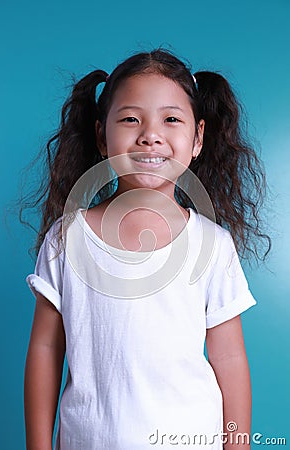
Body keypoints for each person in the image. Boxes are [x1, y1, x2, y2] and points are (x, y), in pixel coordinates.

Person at [23, 49, 270, 450]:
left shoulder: (212, 245)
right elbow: (46, 348)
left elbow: (229, 360)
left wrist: (237, 445)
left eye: (171, 119)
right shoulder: (67, 239)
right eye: (130, 119)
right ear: (102, 137)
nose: (150, 134)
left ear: (197, 139)